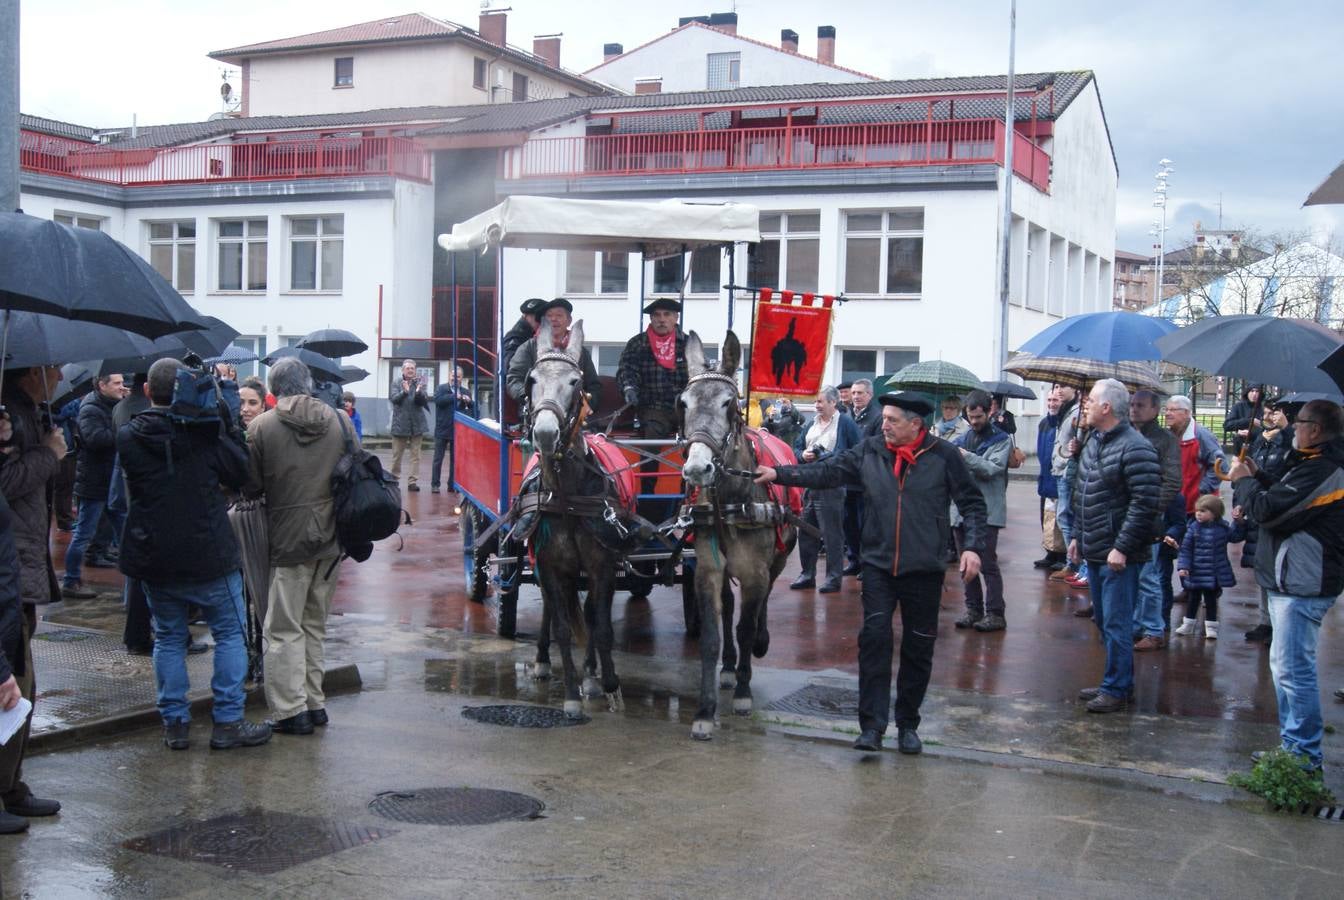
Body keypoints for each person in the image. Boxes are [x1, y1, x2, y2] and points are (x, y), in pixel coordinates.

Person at [757, 392, 986, 755]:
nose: (884, 425)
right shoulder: (871, 450)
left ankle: (908, 725)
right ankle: (872, 727)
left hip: (924, 569)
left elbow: (973, 504)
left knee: (918, 647)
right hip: (878, 565)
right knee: (874, 641)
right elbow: (829, 471)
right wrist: (781, 473)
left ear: (916, 425)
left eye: (893, 420)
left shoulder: (944, 456)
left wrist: (972, 546)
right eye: (884, 419)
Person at [117, 358, 271, 751]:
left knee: (168, 637)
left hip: (155, 553)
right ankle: (228, 722)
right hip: (209, 553)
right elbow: (239, 473)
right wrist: (225, 418)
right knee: (230, 636)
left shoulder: (129, 436)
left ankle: (175, 723)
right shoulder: (203, 433)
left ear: (149, 392)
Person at [1229, 399, 1344, 774]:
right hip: (1291, 580)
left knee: (1294, 670)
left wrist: (1243, 481)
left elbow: (1270, 512)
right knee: (1285, 667)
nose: (1294, 427)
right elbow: (1282, 493)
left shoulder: (1326, 469)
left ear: (1318, 429)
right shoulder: (1311, 464)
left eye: (1301, 421)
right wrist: (1258, 475)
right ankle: (1295, 747)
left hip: (1302, 583)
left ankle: (1303, 757)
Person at [246, 357, 349, 735]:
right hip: (332, 537)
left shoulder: (261, 427)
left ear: (273, 391)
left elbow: (252, 485)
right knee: (314, 624)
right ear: (308, 385)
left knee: (283, 627)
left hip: (286, 538)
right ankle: (314, 702)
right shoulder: (340, 420)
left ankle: (291, 711)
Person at [1069, 379, 1161, 714]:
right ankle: (1116, 679)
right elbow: (1084, 490)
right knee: (1104, 620)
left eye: (1091, 400)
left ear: (1106, 407)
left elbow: (1144, 502)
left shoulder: (1136, 447)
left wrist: (1121, 546)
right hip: (1095, 547)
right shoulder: (1094, 439)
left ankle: (1117, 687)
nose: (1086, 405)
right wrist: (1078, 535)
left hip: (1117, 554)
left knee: (1118, 622)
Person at [0, 404, 63, 831]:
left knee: (21, 691)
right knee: (10, 688)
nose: (56, 373)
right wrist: (46, 454)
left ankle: (10, 787)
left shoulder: (25, 415)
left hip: (15, 585)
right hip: (10, 586)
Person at [788, 386, 861, 594]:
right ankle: (807, 574)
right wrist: (803, 456)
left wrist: (828, 458)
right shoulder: (811, 423)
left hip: (832, 486)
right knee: (806, 531)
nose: (817, 406)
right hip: (810, 484)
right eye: (816, 402)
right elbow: (797, 447)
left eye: (821, 402)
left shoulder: (845, 423)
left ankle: (833, 577)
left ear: (833, 403)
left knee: (832, 534)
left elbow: (856, 450)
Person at [61, 374, 127, 598]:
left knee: (124, 532)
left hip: (108, 481)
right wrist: (122, 429)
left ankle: (131, 586)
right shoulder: (90, 408)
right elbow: (95, 439)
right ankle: (70, 580)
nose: (122, 387)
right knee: (83, 533)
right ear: (102, 385)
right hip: (94, 482)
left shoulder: (112, 404)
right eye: (117, 383)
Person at [1235, 397, 1295, 644]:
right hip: (1256, 508)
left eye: (1274, 414)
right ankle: (1265, 621)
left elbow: (1285, 476)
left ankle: (1277, 623)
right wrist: (1240, 500)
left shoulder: (1290, 444)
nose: (1269, 418)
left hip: (1274, 511)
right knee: (1262, 568)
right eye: (1267, 414)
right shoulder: (1262, 440)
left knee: (1278, 570)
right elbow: (1251, 470)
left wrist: (1286, 431)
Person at [952, 389, 1012, 632]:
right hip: (960, 511)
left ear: (990, 411)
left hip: (988, 512)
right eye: (970, 417)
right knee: (966, 564)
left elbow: (991, 469)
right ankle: (973, 609)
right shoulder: (962, 439)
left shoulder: (1002, 439)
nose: (974, 422)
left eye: (979, 417)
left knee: (987, 563)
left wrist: (964, 457)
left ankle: (996, 613)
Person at [1129, 389, 1182, 650]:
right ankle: (1137, 625)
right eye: (1132, 404)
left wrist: (1152, 507)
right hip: (1126, 512)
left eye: (1140, 405)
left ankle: (1154, 629)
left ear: (1155, 410)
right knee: (1133, 573)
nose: (1134, 409)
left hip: (1148, 514)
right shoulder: (1125, 432)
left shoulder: (1164, 440)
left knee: (1148, 574)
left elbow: (1172, 480)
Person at [507, 299, 601, 409]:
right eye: (549, 316)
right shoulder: (528, 348)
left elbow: (593, 386)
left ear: (569, 320)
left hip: (571, 417)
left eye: (559, 315)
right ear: (543, 323)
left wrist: (586, 404)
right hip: (532, 414)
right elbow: (514, 379)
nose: (554, 319)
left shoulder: (581, 352)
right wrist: (528, 396)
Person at [1174, 494, 1241, 639]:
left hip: (1213, 573)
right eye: (1198, 510)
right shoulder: (1193, 528)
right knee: (1193, 599)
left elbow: (1235, 537)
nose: (1198, 513)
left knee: (1211, 601)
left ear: (1214, 513)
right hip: (1195, 571)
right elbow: (1186, 549)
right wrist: (1183, 567)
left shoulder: (1223, 528)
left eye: (1203, 511)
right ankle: (1188, 624)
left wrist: (1238, 522)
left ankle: (1211, 626)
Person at [842, 379, 881, 576]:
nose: (856, 396)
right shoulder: (847, 415)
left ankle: (867, 564)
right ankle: (854, 560)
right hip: (847, 479)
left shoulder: (877, 417)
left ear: (870, 395)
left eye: (860, 393)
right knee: (849, 524)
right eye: (854, 393)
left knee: (864, 524)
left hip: (866, 481)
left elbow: (875, 448)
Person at [1164, 395, 1224, 516]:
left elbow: (1220, 466)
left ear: (1186, 412)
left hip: (1199, 509)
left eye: (1172, 410)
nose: (1167, 413)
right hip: (1175, 506)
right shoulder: (1168, 435)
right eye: (1166, 409)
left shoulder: (1201, 436)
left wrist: (1202, 490)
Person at [1049, 385, 1083, 584]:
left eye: (1065, 386)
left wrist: (1065, 456)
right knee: (1064, 515)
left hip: (1067, 470)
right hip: (1061, 469)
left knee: (1066, 515)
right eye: (1057, 386)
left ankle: (1074, 563)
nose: (1059, 390)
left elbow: (1076, 441)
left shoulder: (1077, 412)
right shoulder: (1066, 410)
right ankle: (1073, 562)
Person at [1034, 387, 1066, 570]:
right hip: (1045, 477)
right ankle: (1050, 552)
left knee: (1059, 519)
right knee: (1046, 517)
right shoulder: (1044, 423)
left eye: (1056, 400)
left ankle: (1062, 554)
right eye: (1050, 400)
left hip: (1058, 478)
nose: (1052, 404)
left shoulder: (1064, 423)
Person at [431, 366, 476, 494]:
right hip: (442, 428)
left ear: (462, 378)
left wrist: (469, 402)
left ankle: (452, 485)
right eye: (453, 376)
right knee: (438, 459)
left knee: (455, 460)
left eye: (458, 376)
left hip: (457, 431)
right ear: (449, 376)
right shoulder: (441, 388)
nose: (455, 379)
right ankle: (435, 484)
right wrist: (454, 396)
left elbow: (472, 409)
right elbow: (438, 401)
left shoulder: (466, 391)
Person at [388, 358, 430, 493]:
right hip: (400, 423)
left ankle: (412, 481)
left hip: (417, 424)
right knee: (397, 455)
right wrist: (404, 392)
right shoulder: (396, 382)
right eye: (408, 368)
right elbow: (394, 399)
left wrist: (418, 392)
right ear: (403, 370)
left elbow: (423, 401)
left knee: (416, 455)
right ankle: (394, 478)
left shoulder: (420, 382)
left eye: (412, 368)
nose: (410, 371)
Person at [501, 297, 548, 381]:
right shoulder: (516, 337)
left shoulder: (529, 335)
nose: (541, 322)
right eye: (538, 318)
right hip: (512, 390)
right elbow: (509, 367)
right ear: (526, 316)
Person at [1224, 383, 1264, 457]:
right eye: (1252, 391)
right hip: (1241, 445)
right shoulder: (1238, 406)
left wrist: (1253, 431)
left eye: (1257, 391)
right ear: (1247, 392)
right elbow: (1227, 425)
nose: (1254, 394)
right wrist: (1248, 421)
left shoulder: (1264, 408)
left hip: (1258, 446)